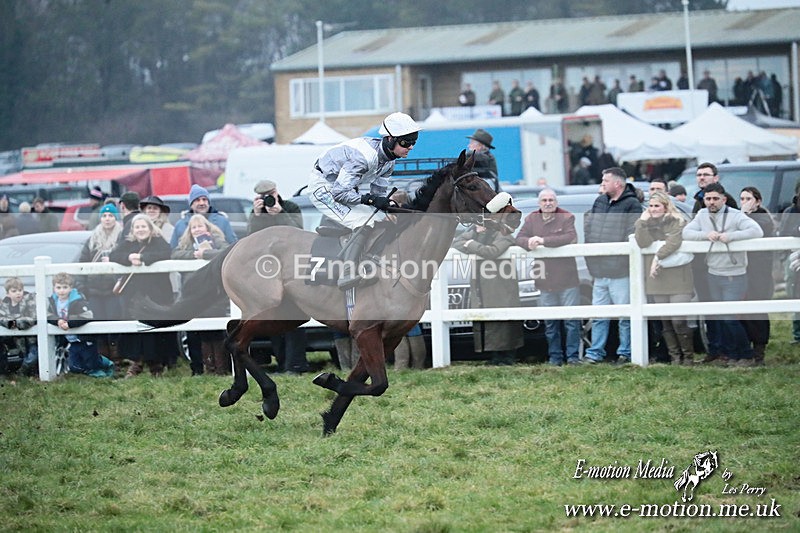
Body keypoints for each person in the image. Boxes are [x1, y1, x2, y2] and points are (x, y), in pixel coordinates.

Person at [308, 111, 421, 290]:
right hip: (324, 188)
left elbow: (379, 193)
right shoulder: (364, 158)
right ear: (390, 139)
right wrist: (369, 200)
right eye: (406, 142)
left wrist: (387, 207)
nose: (411, 147)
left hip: (344, 187)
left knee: (378, 218)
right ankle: (347, 272)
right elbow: (339, 193)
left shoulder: (389, 161)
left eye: (414, 142)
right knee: (362, 221)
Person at [682, 182, 763, 367]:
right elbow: (686, 233)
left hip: (734, 274)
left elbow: (757, 231)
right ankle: (732, 355)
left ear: (724, 199)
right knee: (720, 317)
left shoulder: (735, 215)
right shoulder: (702, 214)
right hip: (713, 272)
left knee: (729, 317)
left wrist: (731, 236)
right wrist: (706, 234)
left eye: (715, 199)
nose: (711, 202)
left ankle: (746, 353)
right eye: (708, 199)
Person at [246, 179, 309, 374]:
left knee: (295, 317)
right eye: (264, 196)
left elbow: (297, 232)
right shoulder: (256, 212)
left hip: (290, 270)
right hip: (268, 272)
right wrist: (257, 216)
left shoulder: (291, 207)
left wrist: (280, 213)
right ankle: (282, 363)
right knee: (274, 317)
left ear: (276, 191)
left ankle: (296, 364)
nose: (268, 199)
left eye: (270, 194)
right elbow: (251, 240)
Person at [583, 167, 643, 364]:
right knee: (599, 315)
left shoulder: (632, 205)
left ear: (617, 183)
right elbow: (590, 230)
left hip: (620, 271)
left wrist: (618, 262)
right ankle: (595, 353)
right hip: (599, 270)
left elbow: (630, 235)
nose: (603, 183)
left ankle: (626, 352)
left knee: (625, 315)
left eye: (606, 180)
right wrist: (591, 260)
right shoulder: (599, 201)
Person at [515, 189, 581, 366]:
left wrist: (542, 241)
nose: (548, 203)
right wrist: (528, 242)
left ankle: (573, 357)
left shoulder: (567, 217)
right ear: (539, 203)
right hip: (544, 279)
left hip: (567, 278)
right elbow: (519, 238)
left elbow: (569, 236)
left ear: (556, 202)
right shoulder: (531, 218)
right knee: (550, 323)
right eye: (544, 200)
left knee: (571, 322)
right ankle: (555, 358)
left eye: (551, 200)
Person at [109, 214, 175, 377]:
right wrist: (129, 257)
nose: (140, 230)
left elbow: (166, 253)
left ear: (150, 228)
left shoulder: (159, 241)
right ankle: (136, 363)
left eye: (143, 226)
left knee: (154, 328)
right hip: (134, 293)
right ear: (132, 230)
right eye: (137, 227)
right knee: (136, 329)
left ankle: (156, 366)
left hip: (156, 292)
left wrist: (143, 257)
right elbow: (114, 256)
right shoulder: (128, 243)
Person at [634, 191, 695, 365]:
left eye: (657, 206)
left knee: (678, 320)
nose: (653, 209)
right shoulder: (646, 223)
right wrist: (642, 222)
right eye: (651, 206)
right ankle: (675, 357)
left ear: (666, 206)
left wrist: (656, 257)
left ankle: (688, 357)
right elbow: (642, 242)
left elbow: (674, 243)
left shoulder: (679, 222)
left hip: (678, 277)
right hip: (656, 278)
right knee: (665, 321)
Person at [453, 224, 523, 365]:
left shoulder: (503, 232)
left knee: (504, 323)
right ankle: (495, 357)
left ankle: (508, 358)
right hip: (481, 285)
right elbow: (456, 242)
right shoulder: (473, 232)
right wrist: (472, 241)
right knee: (488, 321)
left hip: (501, 285)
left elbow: (492, 252)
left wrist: (471, 244)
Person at [172, 214, 231, 375]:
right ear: (189, 231)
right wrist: (194, 254)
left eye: (200, 226)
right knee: (193, 331)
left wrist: (206, 253)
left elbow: (225, 252)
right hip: (193, 293)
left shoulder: (218, 240)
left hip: (214, 292)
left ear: (207, 228)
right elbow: (175, 254)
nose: (197, 230)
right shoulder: (185, 244)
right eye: (194, 227)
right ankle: (200, 367)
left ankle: (220, 367)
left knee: (216, 330)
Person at [78, 203, 123, 364]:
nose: (107, 218)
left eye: (111, 215)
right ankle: (103, 360)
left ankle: (117, 360)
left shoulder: (122, 237)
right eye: (104, 216)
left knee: (114, 323)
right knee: (98, 324)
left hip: (113, 289)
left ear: (115, 218)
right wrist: (83, 288)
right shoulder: (92, 239)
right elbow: (82, 262)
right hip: (94, 290)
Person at [46, 272, 114, 377]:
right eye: (58, 287)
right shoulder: (52, 301)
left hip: (84, 338)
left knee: (91, 361)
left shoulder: (77, 300)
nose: (61, 290)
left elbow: (87, 315)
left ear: (71, 287)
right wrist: (57, 321)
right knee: (74, 366)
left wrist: (70, 324)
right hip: (70, 339)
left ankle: (101, 367)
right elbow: (49, 315)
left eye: (65, 287)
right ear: (54, 288)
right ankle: (100, 364)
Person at [739, 186, 775, 365]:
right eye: (742, 199)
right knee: (743, 310)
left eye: (748, 199)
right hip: (742, 269)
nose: (744, 203)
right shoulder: (739, 217)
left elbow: (755, 232)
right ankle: (747, 350)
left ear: (758, 201)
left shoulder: (764, 219)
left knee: (758, 309)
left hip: (759, 271)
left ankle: (759, 351)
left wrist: (743, 216)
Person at [170, 184, 237, 249]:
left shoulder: (222, 221)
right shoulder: (180, 225)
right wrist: (194, 255)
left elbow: (233, 246)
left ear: (208, 203)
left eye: (204, 199)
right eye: (197, 200)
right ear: (191, 204)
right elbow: (173, 250)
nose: (202, 203)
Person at [0, 277, 38, 376]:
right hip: (17, 339)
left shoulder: (29, 300)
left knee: (33, 355)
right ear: (8, 293)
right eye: (14, 291)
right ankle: (27, 373)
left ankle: (22, 371)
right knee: (23, 354)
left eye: (20, 290)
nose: (18, 293)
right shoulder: (5, 305)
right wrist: (9, 323)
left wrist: (17, 323)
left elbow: (33, 317)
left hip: (32, 337)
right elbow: (2, 318)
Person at [778, 181, 800, 344]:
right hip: (794, 257)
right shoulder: (791, 211)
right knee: (794, 292)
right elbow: (784, 233)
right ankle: (797, 333)